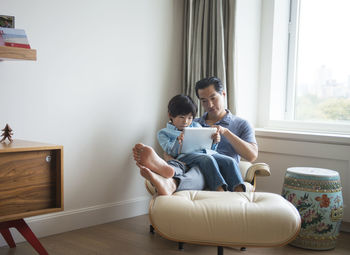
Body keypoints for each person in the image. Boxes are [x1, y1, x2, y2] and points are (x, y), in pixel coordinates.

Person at [133, 76, 258, 195]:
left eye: (213, 98)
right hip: (195, 165)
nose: (209, 104)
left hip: (222, 168)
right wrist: (170, 157)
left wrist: (225, 132)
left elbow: (252, 156)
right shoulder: (194, 123)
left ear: (223, 95)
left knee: (207, 166)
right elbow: (171, 151)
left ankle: (238, 193)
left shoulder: (241, 124)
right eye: (204, 101)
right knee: (196, 171)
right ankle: (168, 181)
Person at [157, 94, 245, 192]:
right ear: (170, 115)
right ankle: (219, 189)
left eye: (190, 118)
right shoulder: (163, 133)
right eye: (182, 117)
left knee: (229, 161)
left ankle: (239, 190)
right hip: (186, 156)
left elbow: (209, 147)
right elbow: (170, 152)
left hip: (206, 153)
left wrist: (215, 141)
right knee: (207, 159)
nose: (186, 121)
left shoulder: (197, 125)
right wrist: (178, 141)